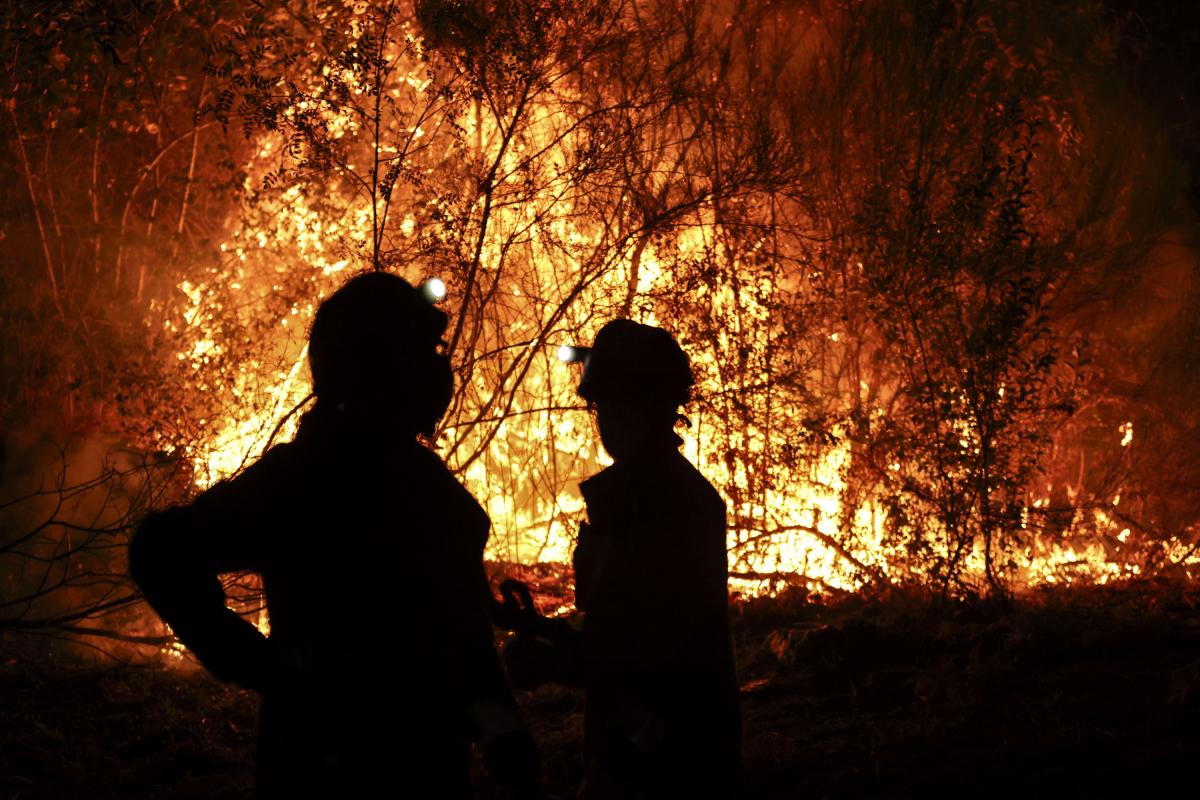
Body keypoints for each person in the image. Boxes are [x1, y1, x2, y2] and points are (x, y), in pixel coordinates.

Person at [129, 271, 539, 798]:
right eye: (421, 351)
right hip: (323, 770)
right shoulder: (303, 481)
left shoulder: (424, 487)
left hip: (423, 765)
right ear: (376, 368)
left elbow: (456, 630)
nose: (439, 368)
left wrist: (496, 719)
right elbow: (161, 551)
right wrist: (262, 668)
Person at [571, 320, 742, 798]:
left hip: (664, 755)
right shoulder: (652, 495)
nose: (606, 420)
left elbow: (655, 646)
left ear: (642, 408)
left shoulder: (660, 502)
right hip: (655, 742)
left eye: (610, 405)